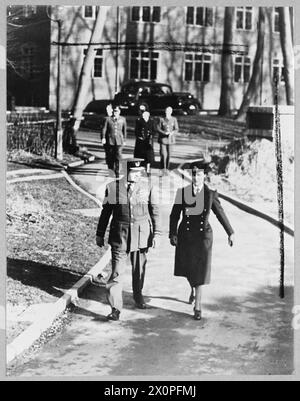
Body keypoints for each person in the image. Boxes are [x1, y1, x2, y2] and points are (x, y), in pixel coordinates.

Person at [96, 159, 161, 321]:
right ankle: (115, 308)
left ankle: (138, 297)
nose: (138, 175)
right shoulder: (113, 187)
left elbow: (155, 211)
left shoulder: (148, 187)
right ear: (126, 172)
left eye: (140, 173)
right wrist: (100, 233)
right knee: (117, 271)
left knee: (139, 270)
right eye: (134, 172)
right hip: (120, 236)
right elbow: (106, 213)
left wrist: (157, 233)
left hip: (141, 235)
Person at [169, 158, 235, 321]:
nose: (196, 177)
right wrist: (172, 233)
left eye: (199, 175)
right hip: (186, 236)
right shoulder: (182, 192)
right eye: (194, 174)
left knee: (200, 270)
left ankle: (198, 306)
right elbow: (174, 215)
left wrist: (230, 232)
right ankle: (192, 287)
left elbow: (220, 213)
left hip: (203, 238)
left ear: (204, 175)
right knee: (189, 269)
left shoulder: (210, 194)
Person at [101, 105, 127, 173]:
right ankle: (111, 169)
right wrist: (103, 137)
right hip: (110, 140)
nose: (115, 112)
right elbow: (104, 129)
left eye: (117, 111)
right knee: (110, 156)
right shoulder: (107, 119)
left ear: (119, 111)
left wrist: (124, 140)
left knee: (118, 155)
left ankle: (117, 170)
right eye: (114, 111)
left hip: (119, 140)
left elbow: (124, 130)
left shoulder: (122, 119)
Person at [157, 106, 179, 176]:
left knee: (169, 155)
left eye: (169, 111)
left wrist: (172, 133)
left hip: (171, 140)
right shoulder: (161, 119)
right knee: (163, 155)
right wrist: (164, 133)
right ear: (165, 111)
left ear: (171, 112)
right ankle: (163, 169)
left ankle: (167, 168)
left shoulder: (174, 119)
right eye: (166, 111)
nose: (167, 112)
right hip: (163, 139)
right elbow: (158, 128)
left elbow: (176, 129)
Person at [134, 109, 156, 174]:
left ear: (148, 115)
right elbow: (136, 130)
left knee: (148, 156)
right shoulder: (138, 121)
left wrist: (151, 136)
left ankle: (148, 169)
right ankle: (139, 169)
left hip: (148, 141)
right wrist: (139, 136)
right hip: (140, 141)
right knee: (139, 155)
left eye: (146, 114)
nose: (144, 115)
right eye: (143, 114)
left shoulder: (152, 121)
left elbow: (154, 130)